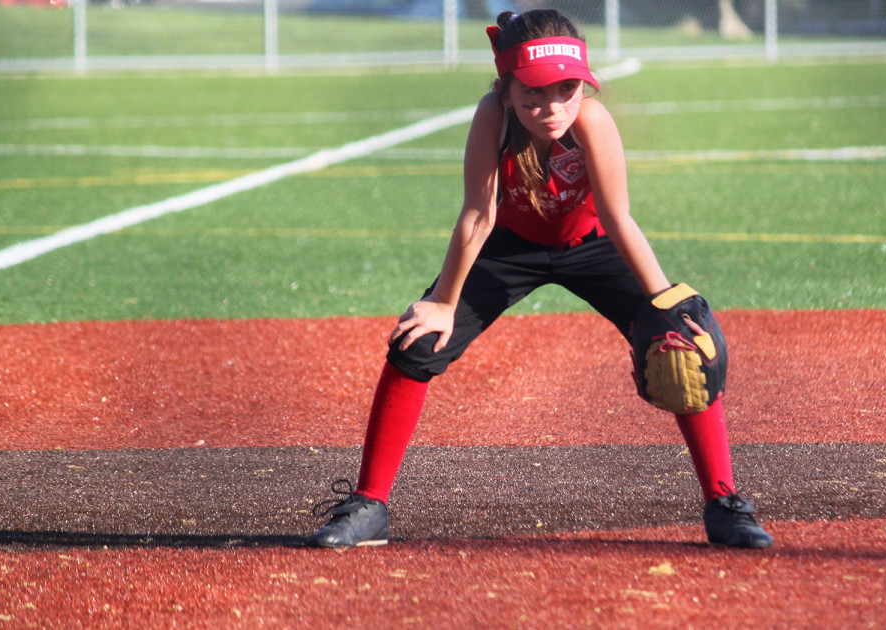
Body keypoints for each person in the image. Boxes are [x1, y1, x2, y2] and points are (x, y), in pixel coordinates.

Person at [309, 9, 772, 549]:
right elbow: (478, 214)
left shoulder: (591, 119)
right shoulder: (494, 116)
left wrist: (665, 303)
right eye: (533, 93)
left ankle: (724, 502)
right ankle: (369, 505)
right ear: (506, 89)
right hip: (509, 247)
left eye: (566, 90)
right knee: (417, 345)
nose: (552, 107)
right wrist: (444, 302)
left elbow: (618, 218)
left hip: (592, 245)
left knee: (682, 343)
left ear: (583, 85)